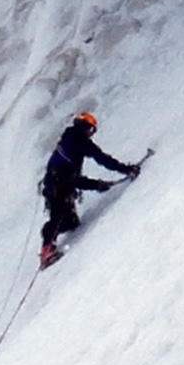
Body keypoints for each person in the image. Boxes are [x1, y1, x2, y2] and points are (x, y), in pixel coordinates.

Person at [39, 112, 140, 267]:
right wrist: (124, 170)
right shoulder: (80, 141)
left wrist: (96, 185)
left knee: (69, 223)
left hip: (54, 184)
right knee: (59, 217)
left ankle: (47, 244)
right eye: (91, 130)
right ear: (85, 127)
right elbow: (101, 160)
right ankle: (47, 250)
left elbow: (71, 178)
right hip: (59, 185)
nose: (91, 134)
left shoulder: (69, 139)